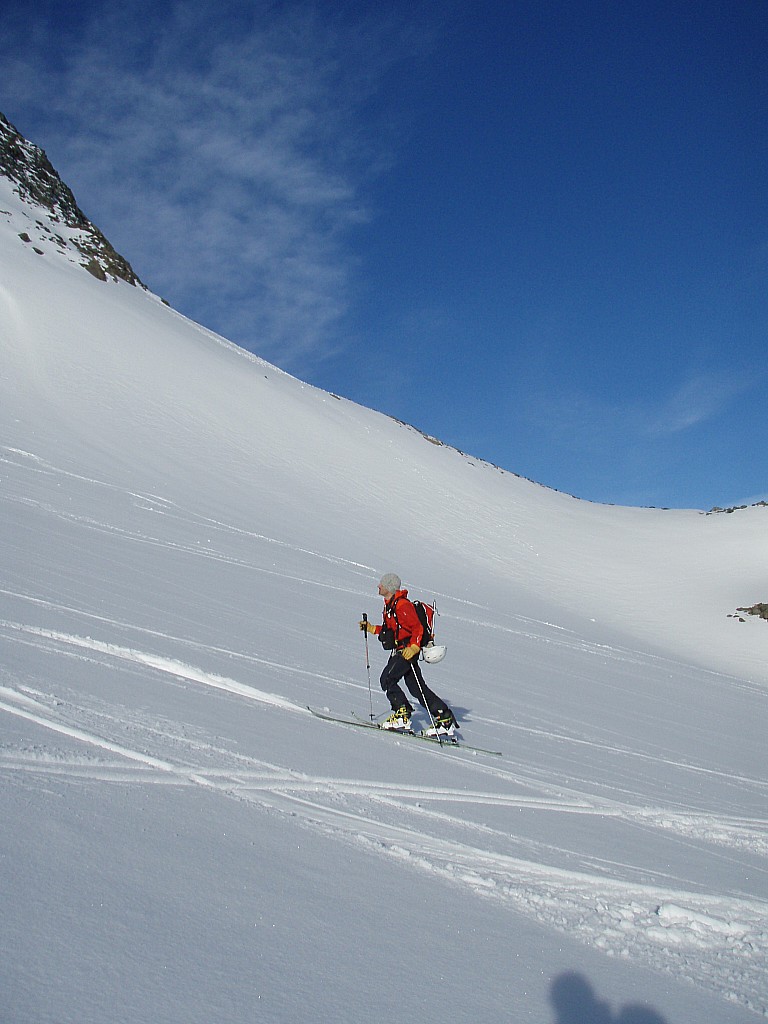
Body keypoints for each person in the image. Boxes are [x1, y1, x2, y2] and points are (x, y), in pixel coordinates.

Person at [360, 573, 457, 735]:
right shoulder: (390, 606)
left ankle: (402, 714)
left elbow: (417, 628)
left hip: (406, 652)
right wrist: (371, 628)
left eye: (381, 584)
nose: (379, 586)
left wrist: (413, 647)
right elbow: (390, 631)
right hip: (402, 650)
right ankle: (444, 718)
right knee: (416, 688)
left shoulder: (402, 605)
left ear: (389, 587)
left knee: (387, 679)